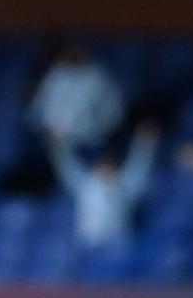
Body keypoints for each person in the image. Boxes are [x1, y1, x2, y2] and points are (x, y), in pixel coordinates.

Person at [52, 120, 159, 248]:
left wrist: (145, 142)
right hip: (87, 246)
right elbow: (67, 165)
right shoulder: (85, 185)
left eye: (110, 166)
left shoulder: (125, 186)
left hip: (118, 247)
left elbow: (140, 166)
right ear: (95, 167)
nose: (106, 170)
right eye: (102, 166)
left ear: (116, 168)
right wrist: (57, 144)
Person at [30, 43, 124, 154]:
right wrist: (47, 128)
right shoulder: (57, 72)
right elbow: (38, 107)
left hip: (88, 144)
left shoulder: (97, 78)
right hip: (52, 138)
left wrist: (81, 133)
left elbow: (114, 115)